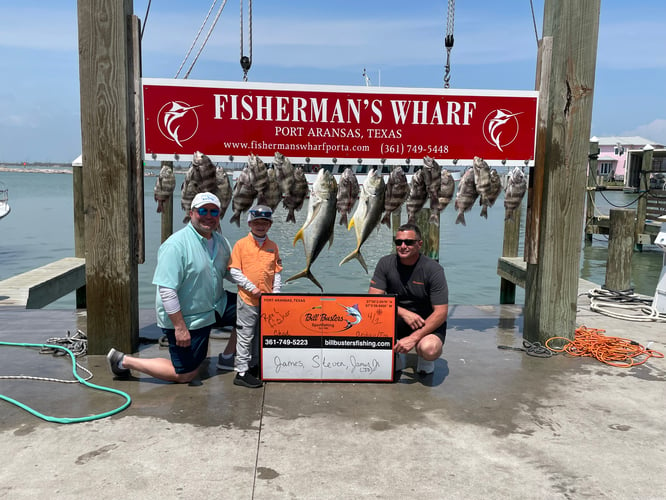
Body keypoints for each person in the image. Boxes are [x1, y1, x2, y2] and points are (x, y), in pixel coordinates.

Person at [106, 192, 237, 383]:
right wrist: (180, 327)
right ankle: (123, 360)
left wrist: (259, 278)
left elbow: (229, 272)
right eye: (203, 210)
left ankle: (227, 357)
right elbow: (167, 290)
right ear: (191, 213)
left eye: (214, 212)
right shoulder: (175, 246)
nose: (208, 216)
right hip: (189, 318)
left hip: (217, 305)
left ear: (219, 215)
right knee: (185, 374)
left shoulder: (221, 242)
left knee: (255, 309)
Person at [368, 223, 448, 378]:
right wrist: (403, 312)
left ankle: (423, 358)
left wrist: (413, 338)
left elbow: (441, 312)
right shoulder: (385, 263)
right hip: (395, 320)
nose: (402, 246)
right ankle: (394, 354)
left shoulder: (433, 269)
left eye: (408, 242)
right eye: (398, 242)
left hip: (425, 323)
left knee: (429, 349)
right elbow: (372, 300)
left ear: (419, 244)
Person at [228, 204, 283, 388]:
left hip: (267, 301)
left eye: (265, 223)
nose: (260, 226)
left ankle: (255, 365)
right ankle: (241, 372)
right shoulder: (241, 245)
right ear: (250, 224)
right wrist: (252, 288)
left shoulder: (273, 246)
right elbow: (235, 271)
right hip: (247, 299)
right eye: (257, 223)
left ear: (270, 225)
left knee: (261, 335)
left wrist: (276, 294)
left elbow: (277, 272)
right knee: (245, 335)